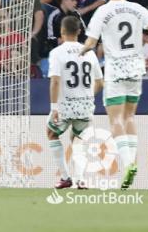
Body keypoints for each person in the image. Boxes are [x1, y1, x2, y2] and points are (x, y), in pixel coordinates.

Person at [80, 0, 148, 189]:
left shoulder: (103, 10)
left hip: (115, 69)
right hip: (136, 66)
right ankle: (131, 162)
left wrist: (80, 51)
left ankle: (129, 162)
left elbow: (91, 42)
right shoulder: (137, 8)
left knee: (115, 121)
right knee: (129, 116)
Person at [47, 15, 103, 190]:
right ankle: (80, 179)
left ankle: (65, 177)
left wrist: (54, 107)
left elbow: (55, 81)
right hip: (85, 105)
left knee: (51, 133)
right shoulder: (90, 53)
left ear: (62, 32)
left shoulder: (57, 52)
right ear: (79, 32)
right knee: (78, 140)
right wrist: (86, 95)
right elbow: (100, 83)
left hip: (65, 105)